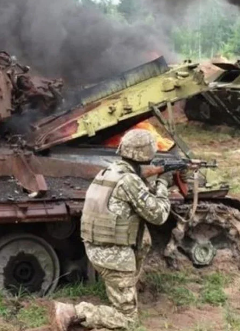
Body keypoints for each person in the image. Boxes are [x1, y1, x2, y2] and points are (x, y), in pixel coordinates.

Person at [50, 129, 171, 330]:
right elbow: (158, 215)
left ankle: (126, 291)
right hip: (114, 255)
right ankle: (73, 312)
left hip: (98, 247)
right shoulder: (129, 180)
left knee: (144, 240)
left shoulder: (109, 171)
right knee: (127, 320)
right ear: (146, 154)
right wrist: (163, 184)